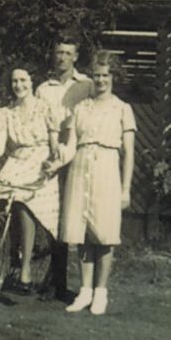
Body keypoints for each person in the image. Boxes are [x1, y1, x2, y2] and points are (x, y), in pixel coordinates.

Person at [56, 50, 136, 316]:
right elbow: (69, 147)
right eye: (97, 75)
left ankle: (101, 292)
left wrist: (126, 188)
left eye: (105, 75)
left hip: (106, 169)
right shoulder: (80, 108)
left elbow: (129, 153)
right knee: (82, 234)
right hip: (80, 168)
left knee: (104, 234)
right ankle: (85, 290)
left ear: (113, 77)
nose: (100, 80)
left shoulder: (122, 109)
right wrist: (56, 160)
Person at [0, 66, 60, 294]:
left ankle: (25, 269)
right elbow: (0, 145)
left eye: (23, 80)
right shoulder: (5, 113)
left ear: (32, 81)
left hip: (40, 160)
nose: (19, 85)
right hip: (17, 160)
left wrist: (53, 159)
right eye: (15, 81)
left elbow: (54, 143)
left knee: (24, 204)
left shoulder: (46, 108)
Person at [34, 38, 93, 301]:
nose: (62, 57)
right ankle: (54, 280)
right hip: (48, 156)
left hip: (76, 157)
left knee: (72, 219)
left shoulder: (86, 85)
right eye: (58, 52)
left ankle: (75, 284)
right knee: (50, 217)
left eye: (68, 53)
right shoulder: (42, 89)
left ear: (76, 56)